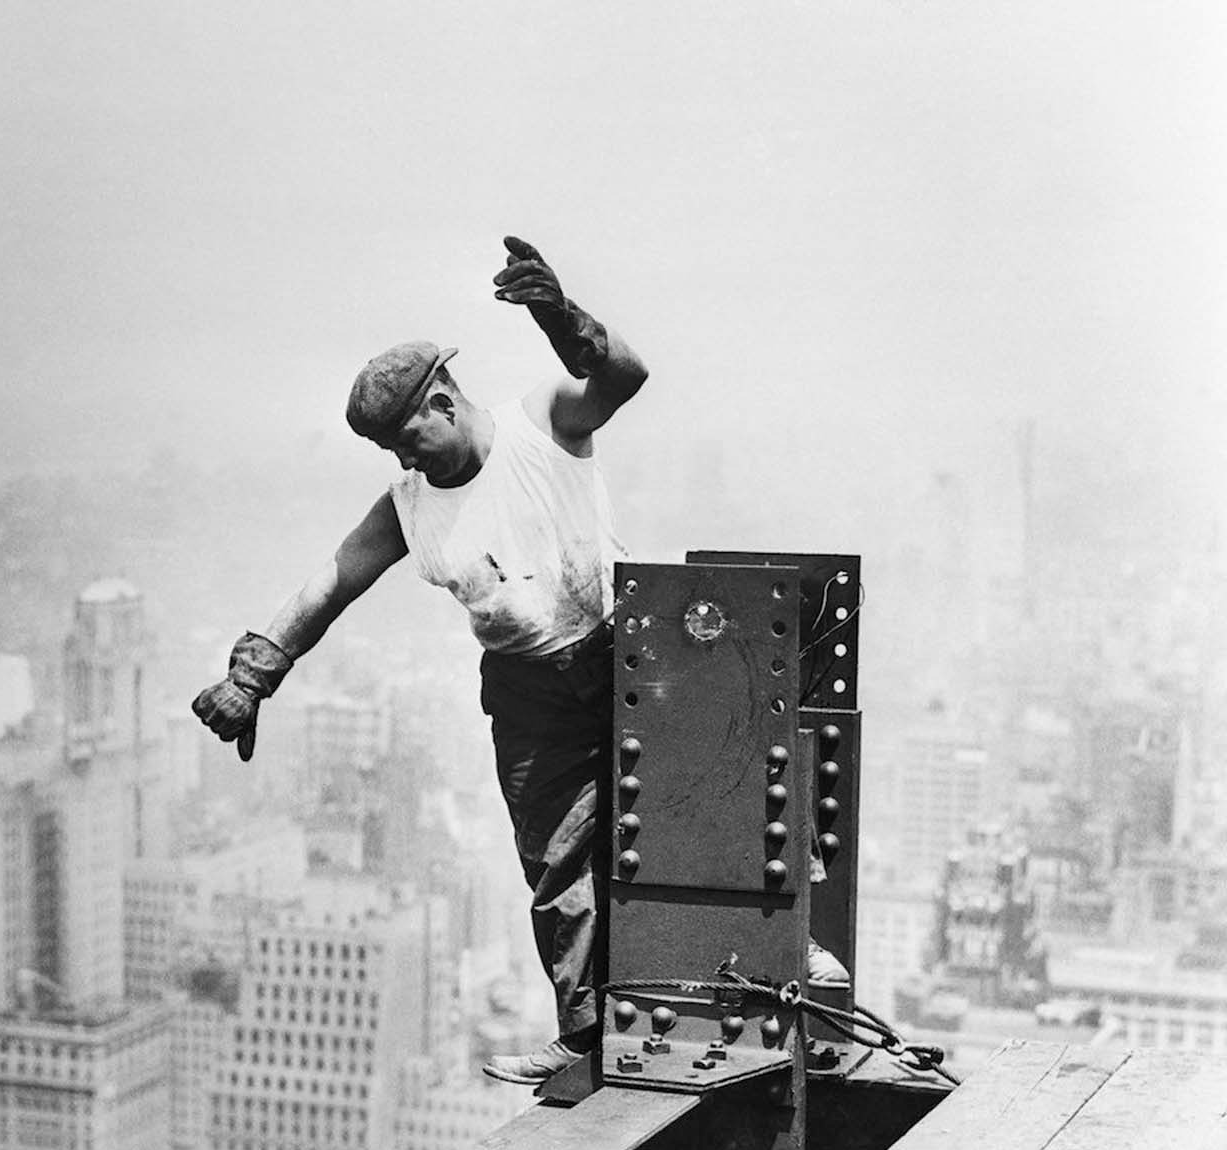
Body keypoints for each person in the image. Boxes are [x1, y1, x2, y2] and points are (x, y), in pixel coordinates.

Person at [193, 237, 848, 1083]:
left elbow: (622, 379)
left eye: (408, 437)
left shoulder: (540, 426)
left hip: (626, 651)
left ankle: (802, 948)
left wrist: (563, 318)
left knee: (718, 782)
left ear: (443, 399)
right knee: (556, 858)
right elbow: (332, 582)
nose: (405, 459)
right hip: (527, 687)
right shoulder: (409, 505)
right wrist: (254, 674)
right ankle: (585, 1027)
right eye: (389, 449)